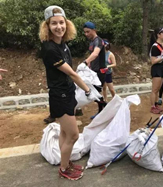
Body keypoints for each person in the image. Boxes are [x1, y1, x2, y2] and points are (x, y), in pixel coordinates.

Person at [39, 5, 93, 180]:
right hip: (59, 95)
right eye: (53, 23)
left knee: (64, 132)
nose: (59, 27)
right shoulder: (49, 49)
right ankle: (64, 169)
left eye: (61, 22)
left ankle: (66, 161)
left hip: (67, 92)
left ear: (66, 24)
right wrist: (87, 90)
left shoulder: (61, 44)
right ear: (47, 26)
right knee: (73, 135)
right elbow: (71, 73)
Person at [81, 21, 107, 119]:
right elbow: (92, 56)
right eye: (85, 32)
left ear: (94, 30)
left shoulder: (98, 41)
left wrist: (85, 62)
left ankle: (106, 106)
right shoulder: (92, 42)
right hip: (93, 71)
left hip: (100, 71)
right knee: (95, 93)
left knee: (92, 93)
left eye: (88, 32)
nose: (86, 34)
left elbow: (95, 54)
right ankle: (102, 111)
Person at [149, 27, 163, 114]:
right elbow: (153, 61)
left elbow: (160, 58)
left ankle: (156, 105)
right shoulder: (155, 46)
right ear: (158, 35)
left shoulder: (161, 46)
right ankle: (152, 107)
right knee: (155, 89)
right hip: (156, 68)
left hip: (162, 67)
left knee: (158, 88)